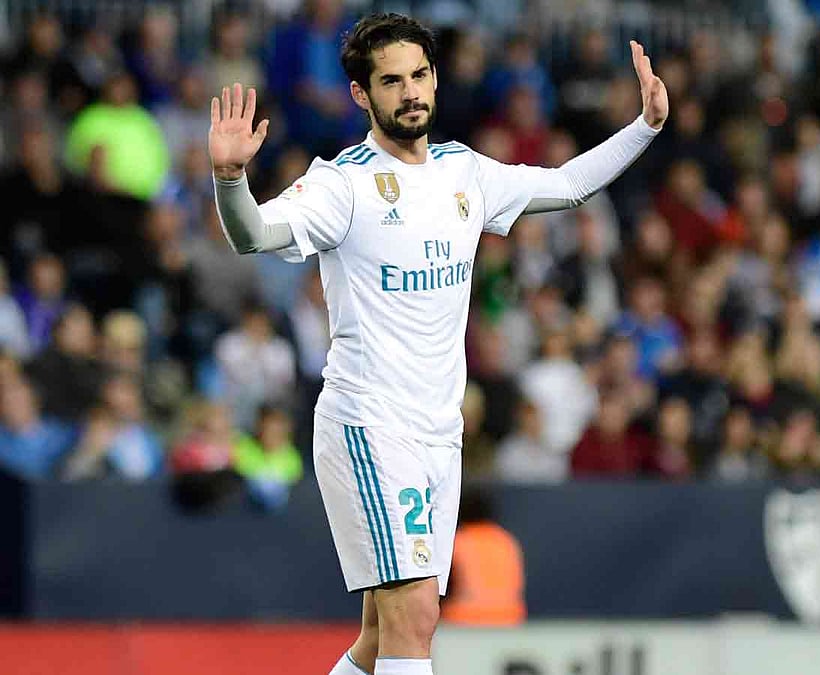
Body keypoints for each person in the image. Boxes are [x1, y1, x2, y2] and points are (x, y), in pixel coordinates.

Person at [208, 13, 668, 675]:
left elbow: (567, 185)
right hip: (370, 423)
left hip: (437, 432)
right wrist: (230, 180)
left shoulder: (463, 172)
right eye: (391, 81)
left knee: (379, 632)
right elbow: (253, 234)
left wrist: (645, 126)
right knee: (417, 614)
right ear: (362, 95)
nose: (411, 91)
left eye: (420, 74)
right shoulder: (342, 184)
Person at [440, 486, 526, 626]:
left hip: (462, 620)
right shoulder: (506, 541)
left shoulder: (458, 541)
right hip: (509, 619)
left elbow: (443, 590)